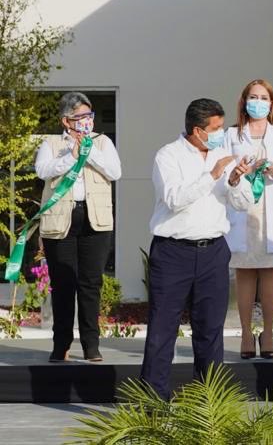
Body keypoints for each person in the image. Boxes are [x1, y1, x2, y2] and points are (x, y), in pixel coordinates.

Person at [140, 98, 255, 400]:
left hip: (213, 252)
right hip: (172, 253)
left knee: (210, 332)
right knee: (162, 331)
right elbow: (174, 199)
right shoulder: (168, 156)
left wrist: (233, 180)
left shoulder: (224, 156)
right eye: (215, 128)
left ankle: (207, 403)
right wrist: (213, 175)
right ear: (197, 130)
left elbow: (244, 203)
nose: (220, 134)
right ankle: (154, 403)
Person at [35, 92, 121, 363]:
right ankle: (61, 344)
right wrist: (72, 156)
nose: (86, 121)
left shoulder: (103, 142)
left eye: (89, 116)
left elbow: (115, 172)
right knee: (63, 284)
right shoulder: (51, 144)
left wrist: (89, 151)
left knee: (91, 283)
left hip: (95, 221)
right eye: (80, 117)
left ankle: (91, 345)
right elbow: (43, 171)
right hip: (61, 220)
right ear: (66, 120)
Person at [226, 79, 273, 360]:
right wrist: (239, 170)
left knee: (270, 275)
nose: (258, 102)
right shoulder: (231, 134)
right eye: (253, 97)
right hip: (244, 210)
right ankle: (246, 333)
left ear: (272, 103)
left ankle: (267, 333)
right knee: (244, 274)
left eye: (263, 97)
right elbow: (221, 168)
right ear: (244, 101)